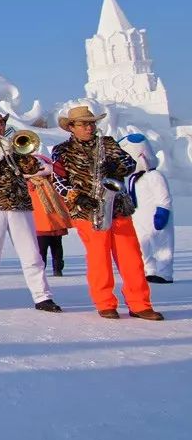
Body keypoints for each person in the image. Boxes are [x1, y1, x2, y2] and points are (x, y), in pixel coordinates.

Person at [52, 106, 163, 320]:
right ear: (71, 127)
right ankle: (105, 303)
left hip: (117, 207)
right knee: (98, 258)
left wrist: (115, 166)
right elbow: (58, 180)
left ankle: (140, 304)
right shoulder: (61, 150)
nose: (89, 127)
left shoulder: (108, 143)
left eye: (91, 123)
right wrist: (76, 196)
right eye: (83, 124)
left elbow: (130, 164)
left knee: (132, 258)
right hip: (87, 211)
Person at [0, 110, 61, 313]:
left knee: (31, 253)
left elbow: (33, 168)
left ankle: (42, 296)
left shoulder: (14, 144)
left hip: (19, 205)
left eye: (0, 124)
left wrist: (17, 151)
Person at [119, 134, 174, 284]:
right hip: (139, 217)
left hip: (156, 217)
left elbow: (164, 196)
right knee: (143, 244)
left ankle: (164, 272)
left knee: (162, 244)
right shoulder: (133, 179)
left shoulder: (154, 175)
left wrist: (163, 212)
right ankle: (149, 270)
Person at [27, 153, 71, 278]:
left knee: (57, 247)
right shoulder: (30, 183)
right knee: (41, 248)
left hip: (56, 220)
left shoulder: (52, 180)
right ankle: (41, 270)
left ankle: (58, 268)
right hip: (40, 222)